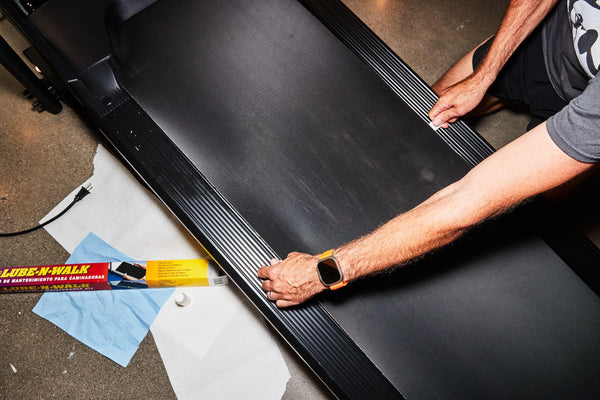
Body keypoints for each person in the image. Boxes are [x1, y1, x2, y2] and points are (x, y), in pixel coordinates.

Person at [258, 0, 600, 308]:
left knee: (520, 218)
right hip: (548, 37)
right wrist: (485, 75)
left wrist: (326, 271)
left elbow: (467, 202)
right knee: (426, 117)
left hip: (589, 108)